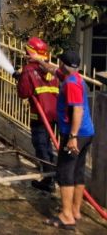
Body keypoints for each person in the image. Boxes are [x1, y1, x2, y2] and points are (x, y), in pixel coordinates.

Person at [36, 49, 95, 230]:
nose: (58, 64)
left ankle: (66, 216)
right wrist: (39, 61)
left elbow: (77, 110)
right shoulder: (75, 78)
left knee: (64, 172)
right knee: (77, 171)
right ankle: (75, 211)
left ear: (64, 64)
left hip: (76, 134)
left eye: (60, 62)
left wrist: (72, 137)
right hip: (87, 133)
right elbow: (54, 70)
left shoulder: (71, 85)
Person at [14, 37, 59, 192]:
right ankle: (51, 171)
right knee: (47, 143)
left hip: (40, 115)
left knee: (40, 145)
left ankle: (49, 178)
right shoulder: (51, 68)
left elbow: (23, 93)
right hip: (54, 114)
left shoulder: (28, 70)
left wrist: (19, 80)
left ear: (30, 52)